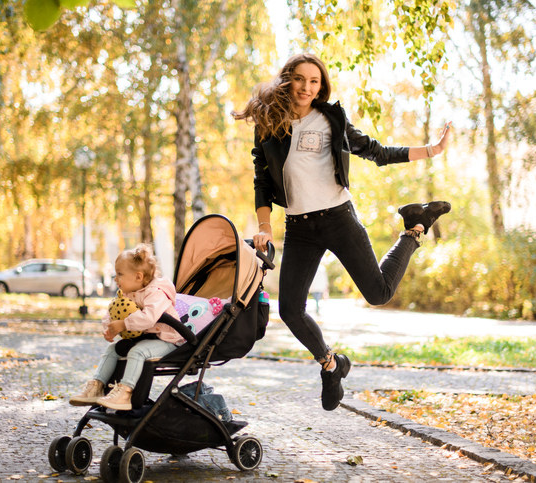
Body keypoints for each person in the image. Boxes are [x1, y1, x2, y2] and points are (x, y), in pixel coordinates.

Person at [232, 53, 452, 411]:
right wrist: (264, 227)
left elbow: (375, 151)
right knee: (289, 309)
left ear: (322, 85)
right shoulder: (270, 123)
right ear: (288, 80)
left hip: (338, 217)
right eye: (300, 79)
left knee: (379, 293)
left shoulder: (330, 118)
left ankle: (415, 227)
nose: (307, 87)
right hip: (299, 227)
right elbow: (261, 182)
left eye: (314, 81)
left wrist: (432, 149)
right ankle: (331, 365)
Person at [69, 244, 182, 410]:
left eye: (119, 274)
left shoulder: (156, 293)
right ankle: (97, 386)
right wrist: (109, 327)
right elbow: (114, 311)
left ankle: (125, 392)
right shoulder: (128, 292)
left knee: (137, 352)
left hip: (166, 340)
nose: (115, 279)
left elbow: (149, 318)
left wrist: (124, 324)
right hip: (145, 338)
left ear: (138, 276)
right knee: (112, 349)